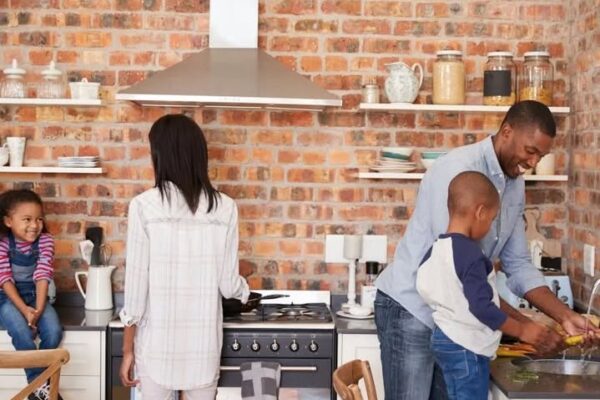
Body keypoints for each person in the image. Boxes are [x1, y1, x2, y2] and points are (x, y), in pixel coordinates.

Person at [374, 100, 600, 400]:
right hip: (411, 310)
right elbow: (459, 281)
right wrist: (525, 328)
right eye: (530, 151)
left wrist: (565, 316)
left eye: (541, 156)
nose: (533, 162)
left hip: (454, 322)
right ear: (506, 132)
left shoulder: (515, 183)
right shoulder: (458, 171)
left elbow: (517, 263)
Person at [119, 114, 250, 400]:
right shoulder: (225, 207)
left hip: (156, 349)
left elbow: (136, 294)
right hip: (203, 349)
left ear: (160, 156)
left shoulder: (143, 206)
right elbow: (229, 286)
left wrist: (128, 350)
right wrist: (245, 292)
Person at [417, 171, 540, 399]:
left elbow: (428, 285)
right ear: (480, 212)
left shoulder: (436, 249)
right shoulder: (471, 254)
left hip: (444, 337)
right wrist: (522, 330)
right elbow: (482, 307)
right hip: (466, 345)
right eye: (492, 220)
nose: (490, 227)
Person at [0, 189, 63, 400]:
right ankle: (40, 386)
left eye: (39, 219)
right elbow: (4, 279)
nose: (35, 225)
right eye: (27, 219)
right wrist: (24, 310)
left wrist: (38, 310)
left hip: (37, 295)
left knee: (53, 331)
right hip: (7, 297)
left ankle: (40, 387)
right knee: (22, 333)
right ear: (8, 221)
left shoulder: (45, 241)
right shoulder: (2, 243)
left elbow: (42, 275)